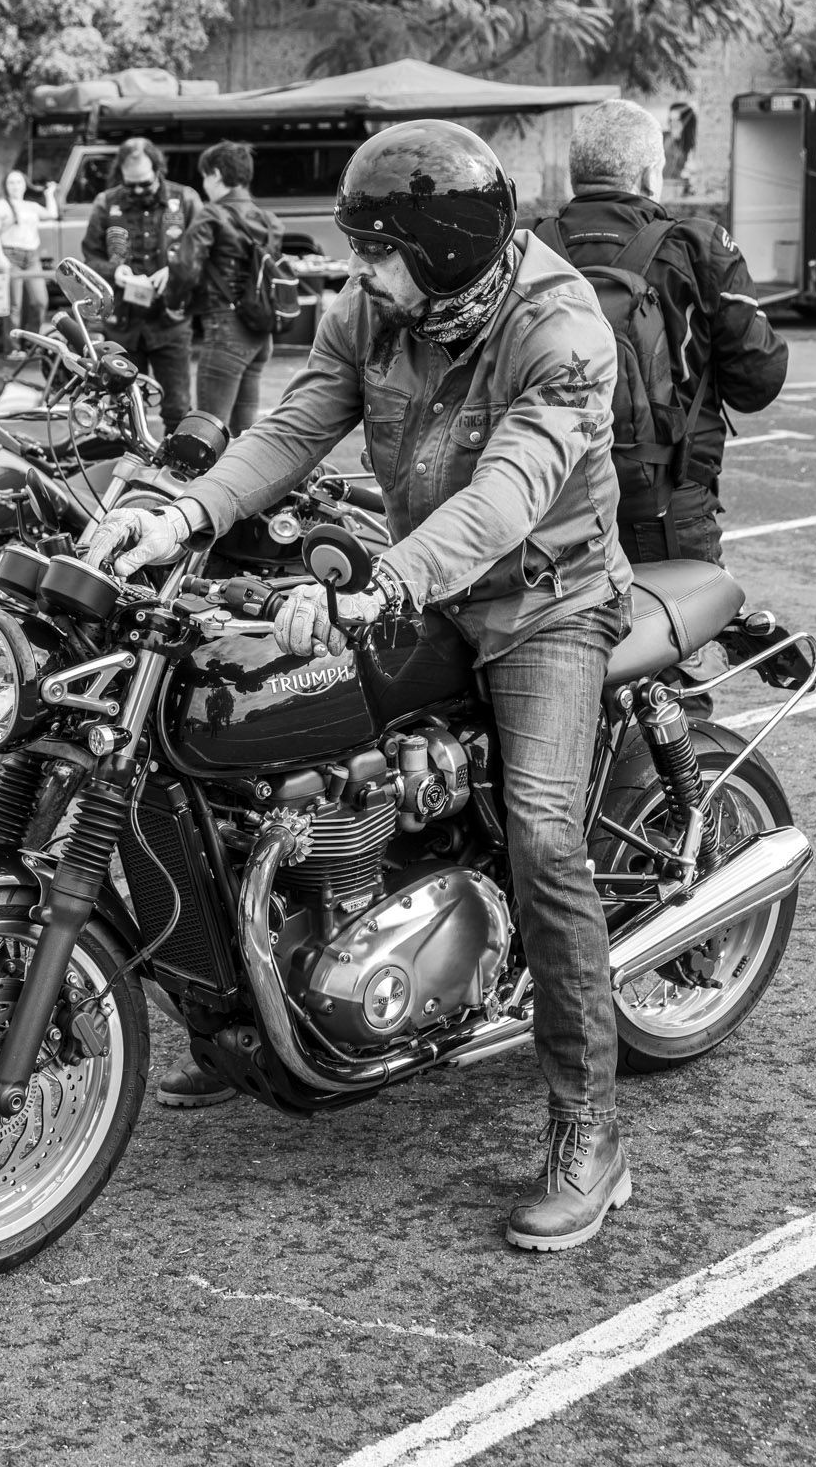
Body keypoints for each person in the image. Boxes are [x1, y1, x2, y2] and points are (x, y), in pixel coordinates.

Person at [88, 120, 637, 1254]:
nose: (357, 274)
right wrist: (183, 514)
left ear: (441, 248)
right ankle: (251, 1013)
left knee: (541, 831)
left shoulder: (561, 326)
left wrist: (388, 579)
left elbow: (509, 491)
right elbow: (292, 425)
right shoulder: (371, 308)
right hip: (420, 585)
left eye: (378, 253)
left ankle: (590, 1129)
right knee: (275, 750)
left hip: (545, 600)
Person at [537, 99, 788, 570]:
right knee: (674, 637)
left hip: (545, 509)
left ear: (575, 175)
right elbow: (758, 383)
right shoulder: (697, 247)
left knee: (557, 643)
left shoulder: (528, 249)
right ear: (651, 176)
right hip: (666, 507)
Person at [81, 137, 201, 432]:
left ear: (157, 169)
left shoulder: (185, 199)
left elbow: (201, 252)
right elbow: (90, 256)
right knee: (123, 410)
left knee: (178, 409)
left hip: (170, 322)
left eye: (144, 184)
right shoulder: (106, 202)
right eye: (130, 184)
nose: (137, 191)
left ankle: (176, 475)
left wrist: (174, 270)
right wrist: (116, 272)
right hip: (122, 323)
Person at [168, 140, 286, 434]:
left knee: (206, 433)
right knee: (244, 434)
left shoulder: (213, 214)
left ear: (217, 174)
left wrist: (174, 303)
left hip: (226, 331)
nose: (204, 184)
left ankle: (209, 483)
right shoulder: (269, 220)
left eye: (205, 176)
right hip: (260, 333)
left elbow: (184, 267)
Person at [0, 169, 58, 333]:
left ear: (25, 185)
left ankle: (31, 340)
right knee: (14, 305)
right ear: (5, 186)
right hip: (10, 255)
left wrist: (49, 194)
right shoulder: (0, 205)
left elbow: (52, 214)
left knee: (40, 301)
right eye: (11, 182)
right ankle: (14, 348)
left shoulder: (31, 206)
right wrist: (0, 257)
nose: (15, 186)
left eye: (19, 182)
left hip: (32, 256)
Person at [662, 101, 698, 198]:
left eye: (677, 120)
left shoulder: (692, 145)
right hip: (663, 189)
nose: (672, 124)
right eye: (671, 120)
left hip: (680, 191)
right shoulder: (663, 138)